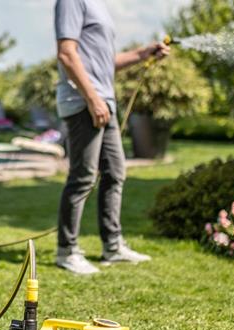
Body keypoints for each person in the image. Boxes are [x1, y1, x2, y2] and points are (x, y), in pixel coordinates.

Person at [54, 0, 170, 275]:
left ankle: (113, 246)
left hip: (104, 102)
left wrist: (142, 53)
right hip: (84, 102)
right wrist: (92, 98)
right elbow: (67, 54)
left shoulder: (99, 6)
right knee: (83, 176)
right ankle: (67, 251)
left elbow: (105, 64)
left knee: (115, 172)